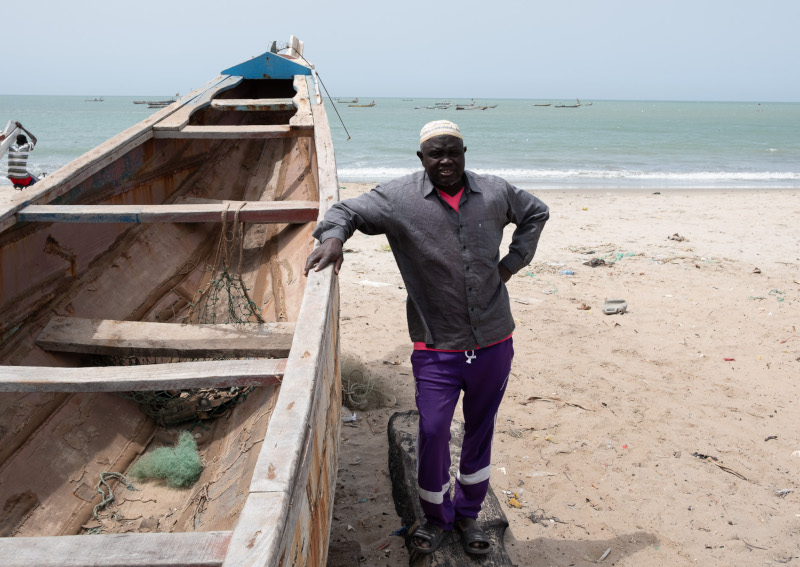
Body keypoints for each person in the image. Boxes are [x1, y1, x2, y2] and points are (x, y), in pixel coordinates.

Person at [304, 120, 549, 555]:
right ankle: (437, 517)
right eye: (436, 154)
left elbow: (536, 211)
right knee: (434, 430)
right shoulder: (398, 199)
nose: (446, 161)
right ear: (421, 158)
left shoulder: (494, 192)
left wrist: (511, 263)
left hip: (494, 340)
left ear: (465, 151)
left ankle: (469, 514)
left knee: (479, 428)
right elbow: (346, 211)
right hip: (436, 345)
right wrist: (334, 238)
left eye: (453, 152)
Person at [7, 125, 38, 189]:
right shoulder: (27, 147)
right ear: (25, 142)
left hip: (13, 179)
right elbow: (34, 139)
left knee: (26, 172)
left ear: (17, 142)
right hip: (24, 180)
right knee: (37, 181)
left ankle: (19, 184)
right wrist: (22, 128)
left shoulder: (11, 147)